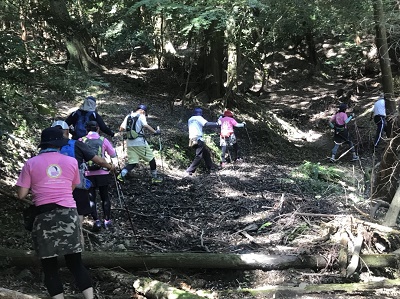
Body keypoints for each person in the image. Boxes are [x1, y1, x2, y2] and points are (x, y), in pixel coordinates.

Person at [16, 127, 94, 299]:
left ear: (43, 144)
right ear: (59, 144)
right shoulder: (71, 162)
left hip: (44, 217)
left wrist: (37, 189)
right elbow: (72, 187)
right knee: (75, 263)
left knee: (49, 266)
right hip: (69, 215)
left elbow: (21, 195)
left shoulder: (31, 163)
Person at [51, 120, 115, 234]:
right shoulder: (80, 143)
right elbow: (109, 156)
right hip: (82, 180)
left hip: (59, 183)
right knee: (103, 198)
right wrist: (110, 167)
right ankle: (104, 221)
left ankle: (96, 220)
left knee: (92, 198)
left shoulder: (49, 147)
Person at [80, 121, 117, 231]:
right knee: (105, 197)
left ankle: (96, 221)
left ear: (86, 130)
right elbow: (113, 154)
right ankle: (107, 221)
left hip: (87, 173)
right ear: (98, 129)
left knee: (91, 198)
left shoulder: (81, 141)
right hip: (102, 173)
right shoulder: (103, 140)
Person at [117, 104, 162, 184]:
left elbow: (121, 128)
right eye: (144, 113)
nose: (144, 114)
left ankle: (121, 176)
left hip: (130, 142)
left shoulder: (128, 116)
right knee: (151, 159)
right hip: (140, 142)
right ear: (142, 111)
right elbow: (145, 125)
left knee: (132, 162)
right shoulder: (141, 116)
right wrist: (155, 132)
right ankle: (155, 178)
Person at [186, 107, 220, 176]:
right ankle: (190, 170)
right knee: (199, 156)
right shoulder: (198, 118)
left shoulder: (190, 119)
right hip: (198, 138)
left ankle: (211, 168)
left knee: (206, 153)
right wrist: (218, 124)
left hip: (192, 139)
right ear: (200, 113)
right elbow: (207, 124)